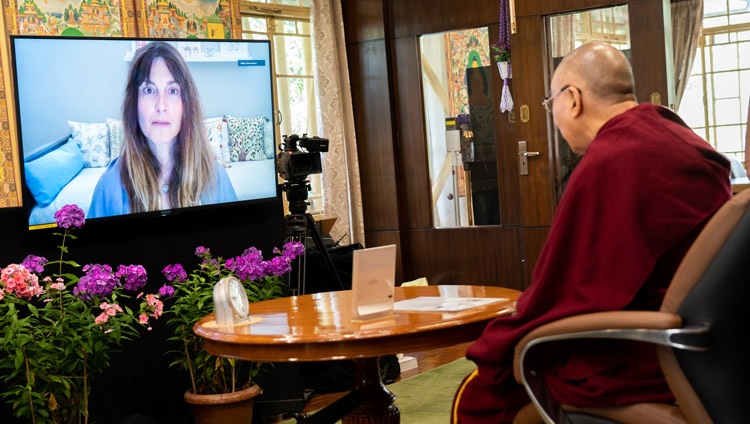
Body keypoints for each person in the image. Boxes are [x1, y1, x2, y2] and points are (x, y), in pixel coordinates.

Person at [452, 42, 732, 423]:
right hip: (717, 345)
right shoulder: (683, 140)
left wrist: (505, 331)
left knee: (481, 394)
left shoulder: (612, 161)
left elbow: (564, 294)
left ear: (572, 99)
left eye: (551, 105)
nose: (555, 118)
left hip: (643, 355)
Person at [89, 41, 236, 218]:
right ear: (133, 103)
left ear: (186, 105)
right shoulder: (109, 186)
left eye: (173, 91)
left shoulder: (215, 177)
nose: (161, 105)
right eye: (149, 90)